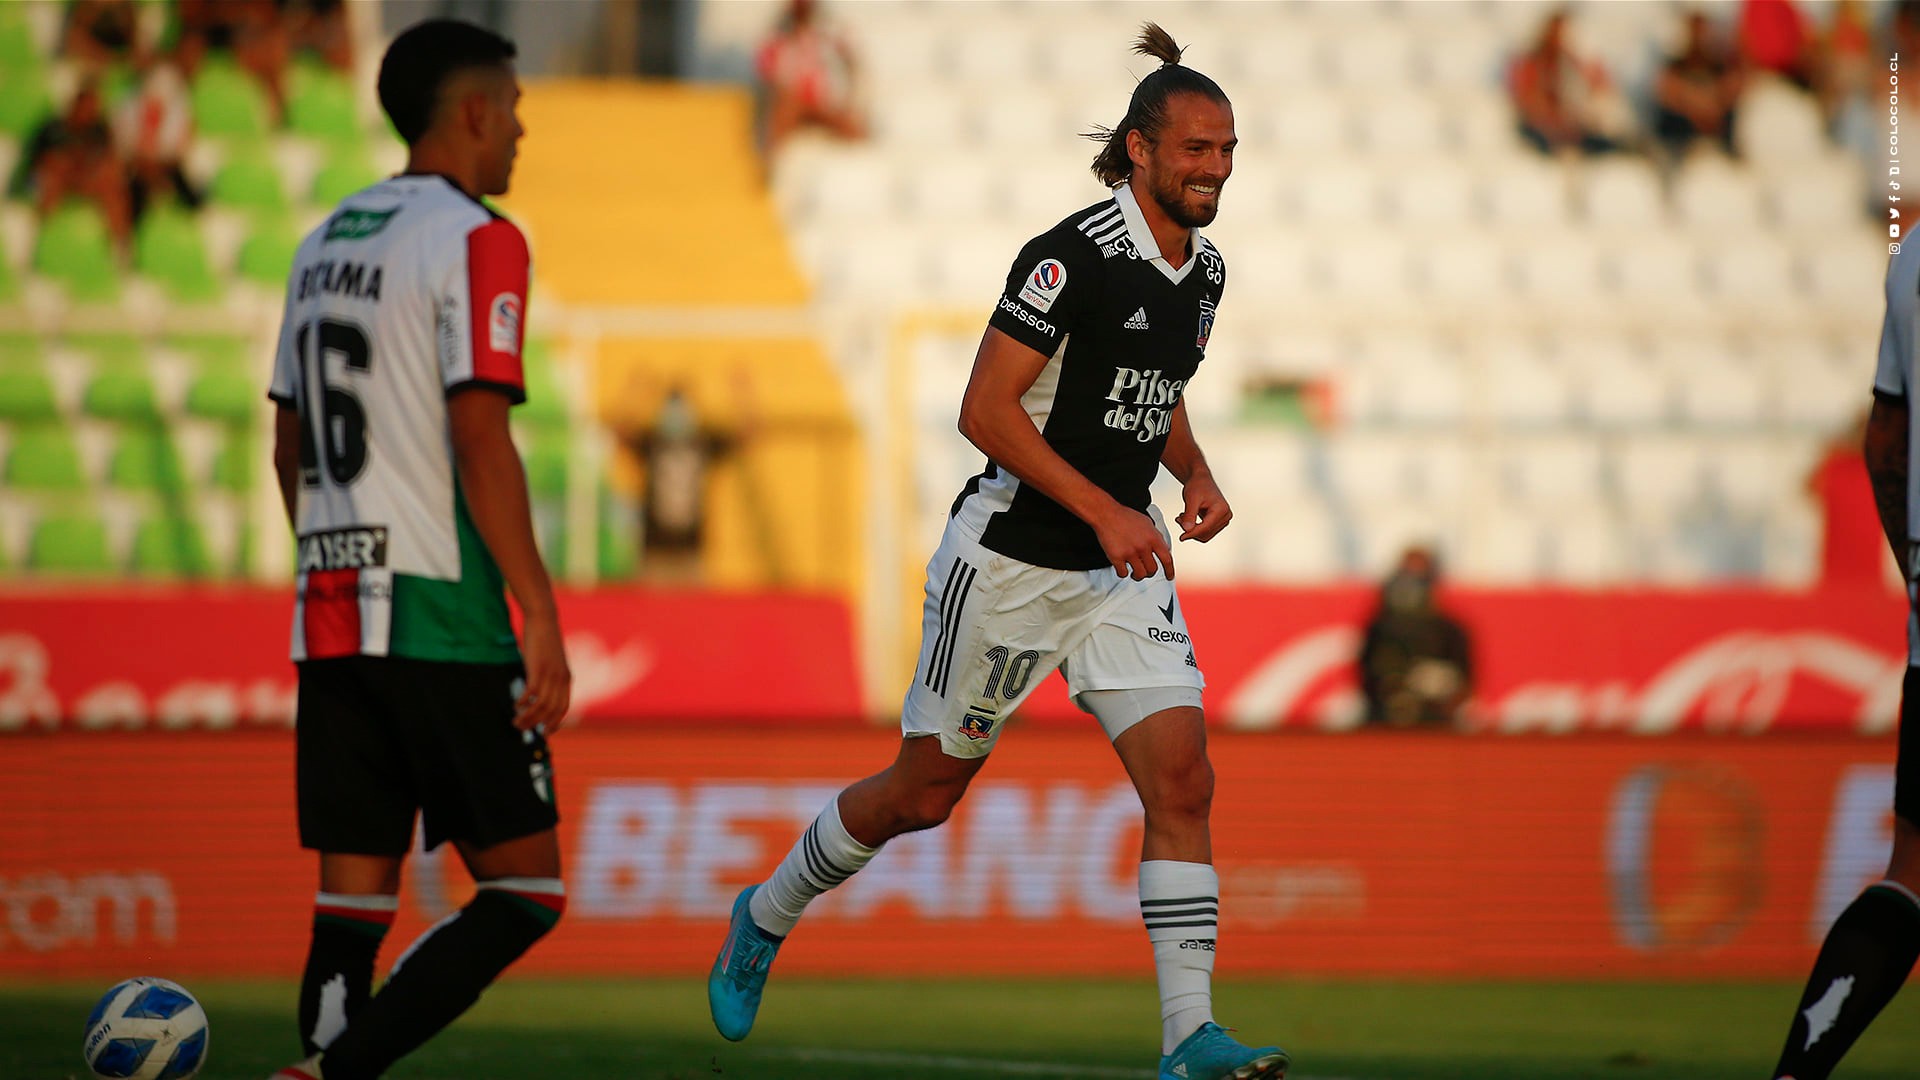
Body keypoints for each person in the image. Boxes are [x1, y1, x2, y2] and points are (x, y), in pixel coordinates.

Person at [708, 23, 1288, 1080]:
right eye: (1198, 149)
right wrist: (1104, 511)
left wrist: (1188, 474)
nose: (1216, 168)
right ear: (1142, 150)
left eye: (1229, 150)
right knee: (924, 795)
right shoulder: (1071, 256)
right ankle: (767, 908)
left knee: (1186, 782)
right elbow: (986, 408)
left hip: (1118, 571)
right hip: (1013, 557)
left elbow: (1152, 393)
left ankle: (1188, 1037)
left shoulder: (1201, 273)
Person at [263, 19, 570, 1080]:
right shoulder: (479, 238)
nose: (522, 131)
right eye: (516, 109)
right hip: (439, 606)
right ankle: (332, 1078)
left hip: (331, 605)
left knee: (352, 900)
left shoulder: (323, 241)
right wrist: (539, 613)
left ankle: (316, 1062)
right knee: (527, 889)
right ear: (475, 110)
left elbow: (288, 442)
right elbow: (478, 433)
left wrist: (327, 560)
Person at [1763, 209, 1920, 1080]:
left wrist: (1913, 570)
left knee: (1910, 872)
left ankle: (1795, 1075)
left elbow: (1885, 442)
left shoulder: (1910, 259)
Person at [1356, 545, 1473, 728]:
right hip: (1384, 722)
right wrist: (1394, 688)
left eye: (1419, 577)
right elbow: (1365, 677)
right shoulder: (1379, 629)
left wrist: (1438, 687)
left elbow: (1465, 684)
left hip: (1436, 724)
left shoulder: (1451, 632)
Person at [1508, 8, 1629, 156]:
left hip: (1572, 129)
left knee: (1609, 145)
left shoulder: (1572, 61)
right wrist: (1553, 121)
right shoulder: (1532, 62)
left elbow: (1600, 88)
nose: (1560, 38)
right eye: (1557, 32)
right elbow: (1528, 101)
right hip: (1543, 130)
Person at [756, 0, 864, 160]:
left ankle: (860, 166)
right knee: (782, 114)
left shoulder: (830, 33)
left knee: (854, 128)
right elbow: (768, 74)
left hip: (825, 103)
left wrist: (847, 99)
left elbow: (851, 64)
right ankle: (770, 166)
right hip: (793, 103)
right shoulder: (778, 35)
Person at [1652, 10, 1746, 162]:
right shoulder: (1672, 68)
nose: (1698, 34)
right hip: (1682, 147)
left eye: (1702, 28)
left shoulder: (1722, 67)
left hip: (1719, 146)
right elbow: (1668, 90)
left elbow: (1733, 88)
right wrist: (1697, 104)